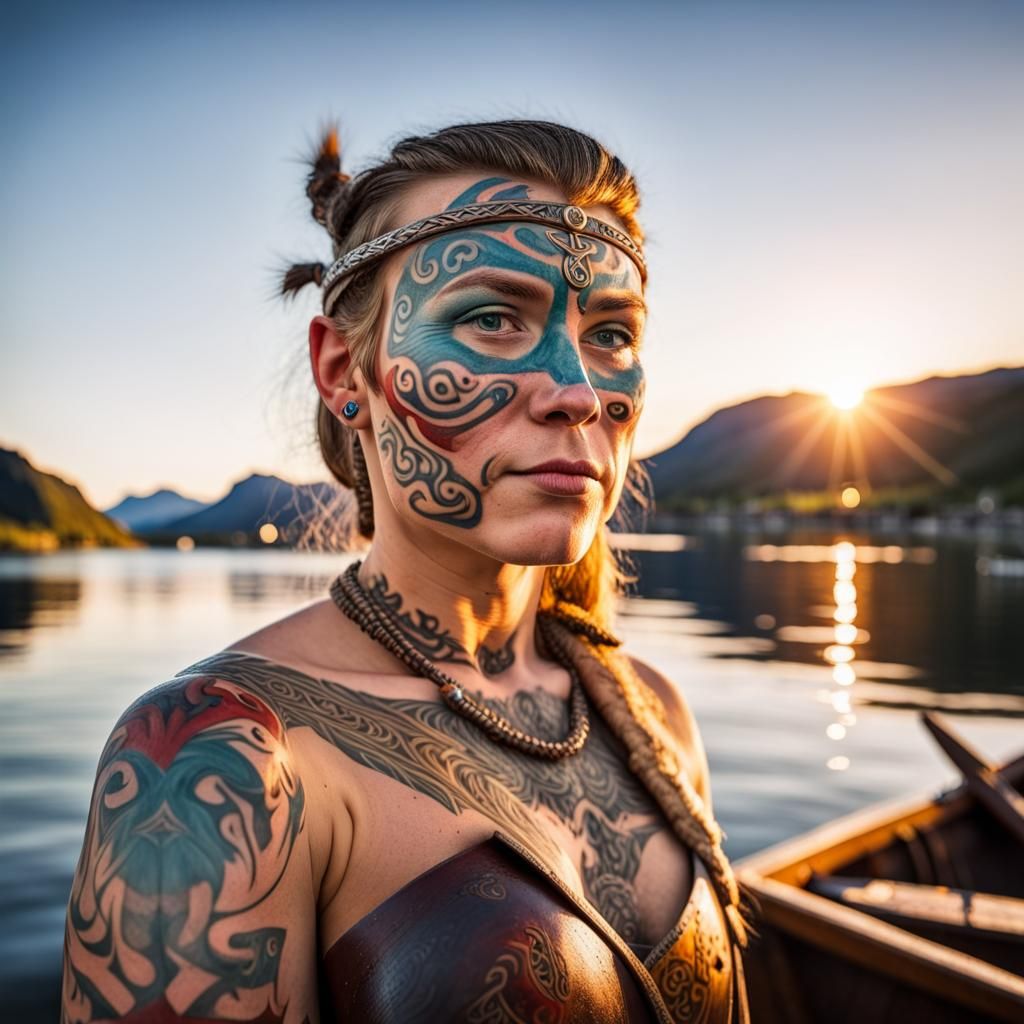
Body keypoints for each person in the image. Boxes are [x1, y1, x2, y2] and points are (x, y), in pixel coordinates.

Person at [61, 119, 751, 1023]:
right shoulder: (221, 759)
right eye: (491, 318)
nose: (578, 392)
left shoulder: (651, 714)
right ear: (345, 370)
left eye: (612, 332)